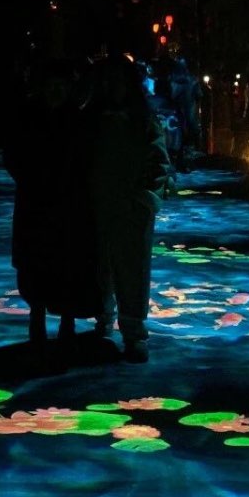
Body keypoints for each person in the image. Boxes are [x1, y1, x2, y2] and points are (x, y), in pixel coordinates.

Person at [3, 57, 101, 362]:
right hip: (36, 204)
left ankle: (65, 327)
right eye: (52, 85)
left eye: (61, 85)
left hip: (68, 206)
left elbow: (88, 160)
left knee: (67, 267)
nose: (56, 91)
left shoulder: (77, 120)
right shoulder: (30, 118)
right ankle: (38, 323)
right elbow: (13, 155)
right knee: (36, 267)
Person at [85, 54, 171, 363]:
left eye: (120, 81)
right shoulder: (92, 119)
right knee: (99, 267)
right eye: (109, 81)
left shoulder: (142, 120)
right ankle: (104, 320)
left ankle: (133, 331)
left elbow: (158, 160)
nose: (114, 87)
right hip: (98, 204)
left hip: (132, 207)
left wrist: (145, 198)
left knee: (133, 271)